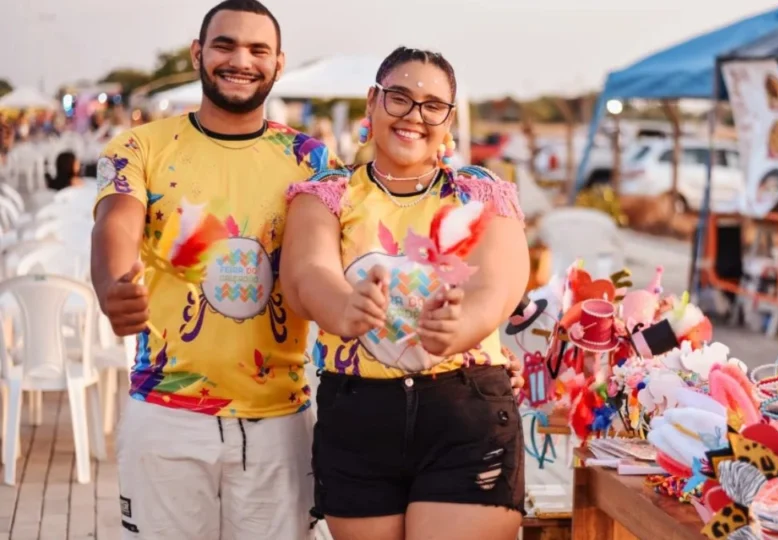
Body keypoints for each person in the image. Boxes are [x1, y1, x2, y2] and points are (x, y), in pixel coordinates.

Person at [91, 1, 342, 538]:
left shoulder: (312, 159)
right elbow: (115, 224)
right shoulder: (141, 146)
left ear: (278, 64)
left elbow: (339, 264)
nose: (240, 60)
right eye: (225, 45)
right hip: (165, 415)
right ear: (198, 53)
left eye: (258, 49)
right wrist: (113, 284)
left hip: (280, 421)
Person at [282, 47, 529, 540]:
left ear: (449, 120)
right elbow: (306, 273)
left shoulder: (478, 191)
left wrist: (463, 324)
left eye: (432, 105)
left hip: (465, 412)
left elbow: (501, 280)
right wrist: (343, 307)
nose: (415, 115)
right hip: (358, 419)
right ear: (372, 102)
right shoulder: (327, 193)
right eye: (400, 97)